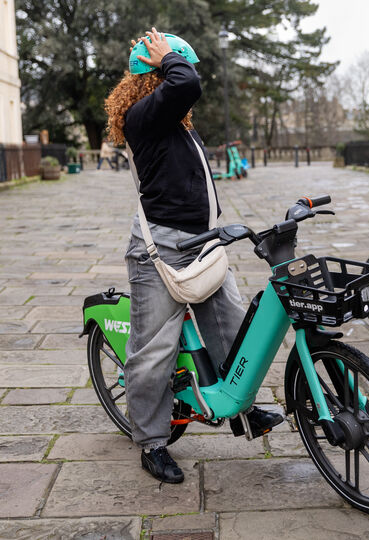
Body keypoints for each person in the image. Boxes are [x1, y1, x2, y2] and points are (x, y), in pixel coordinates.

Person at [104, 28, 283, 484]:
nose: (191, 85)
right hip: (160, 248)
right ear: (157, 78)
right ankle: (152, 441)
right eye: (178, 69)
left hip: (202, 242)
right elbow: (186, 84)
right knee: (153, 350)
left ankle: (239, 408)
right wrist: (168, 58)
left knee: (232, 327)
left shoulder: (172, 123)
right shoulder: (144, 115)